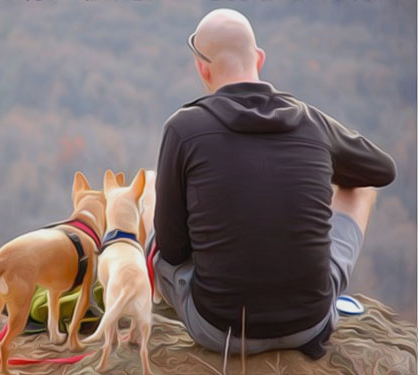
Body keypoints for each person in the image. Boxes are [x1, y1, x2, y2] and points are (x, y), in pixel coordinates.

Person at [150, 8, 396, 359]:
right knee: (359, 188)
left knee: (152, 215)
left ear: (202, 68)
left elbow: (172, 251)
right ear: (260, 58)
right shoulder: (312, 122)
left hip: (221, 330)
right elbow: (382, 170)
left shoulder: (183, 128)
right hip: (309, 324)